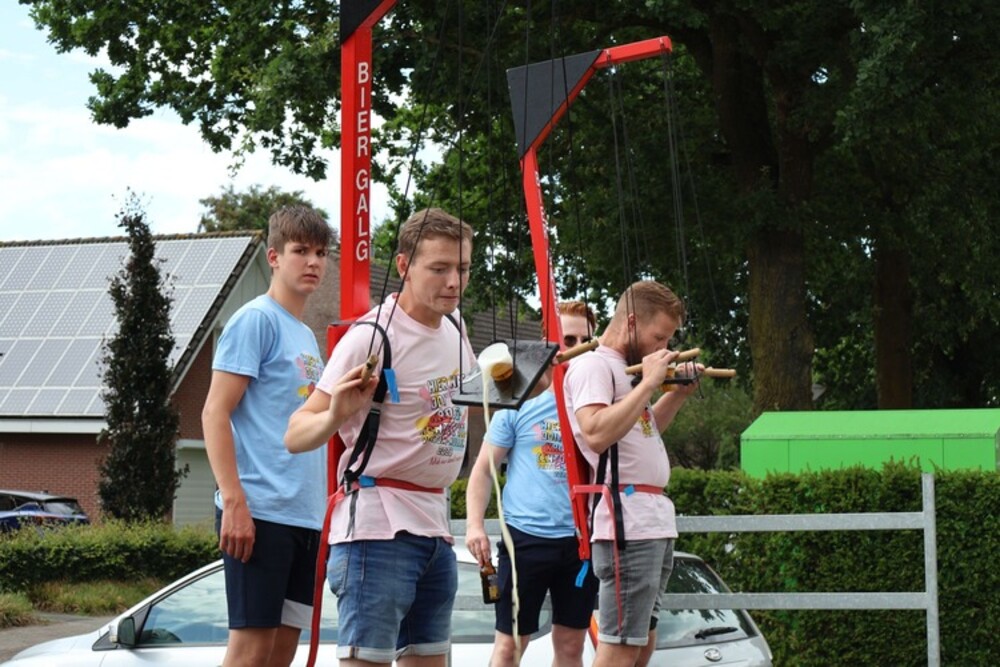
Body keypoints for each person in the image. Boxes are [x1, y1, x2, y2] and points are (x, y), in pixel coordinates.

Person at [284, 207, 476, 667]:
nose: (454, 282)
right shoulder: (371, 337)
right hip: (377, 530)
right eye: (439, 269)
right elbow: (295, 433)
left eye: (463, 268)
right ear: (404, 265)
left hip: (436, 527)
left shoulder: (456, 327)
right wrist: (335, 414)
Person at [203, 206, 345, 667]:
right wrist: (234, 500)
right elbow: (214, 411)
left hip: (304, 517)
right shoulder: (255, 320)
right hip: (260, 510)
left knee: (281, 652)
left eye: (321, 253)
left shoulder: (304, 335)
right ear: (274, 257)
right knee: (251, 651)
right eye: (301, 251)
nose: (313, 262)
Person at [563, 280, 700, 667]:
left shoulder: (625, 371)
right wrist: (651, 383)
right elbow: (596, 433)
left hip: (651, 519)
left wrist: (675, 394)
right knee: (620, 649)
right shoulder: (592, 365)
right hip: (627, 522)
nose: (663, 347)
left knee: (642, 644)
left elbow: (643, 431)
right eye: (659, 337)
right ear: (633, 322)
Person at [465, 301, 600, 667]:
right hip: (525, 540)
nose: (575, 347)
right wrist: (475, 525)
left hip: (580, 541)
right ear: (547, 344)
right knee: (510, 647)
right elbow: (482, 470)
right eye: (567, 339)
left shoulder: (596, 405)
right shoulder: (521, 402)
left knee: (571, 647)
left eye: (584, 340)